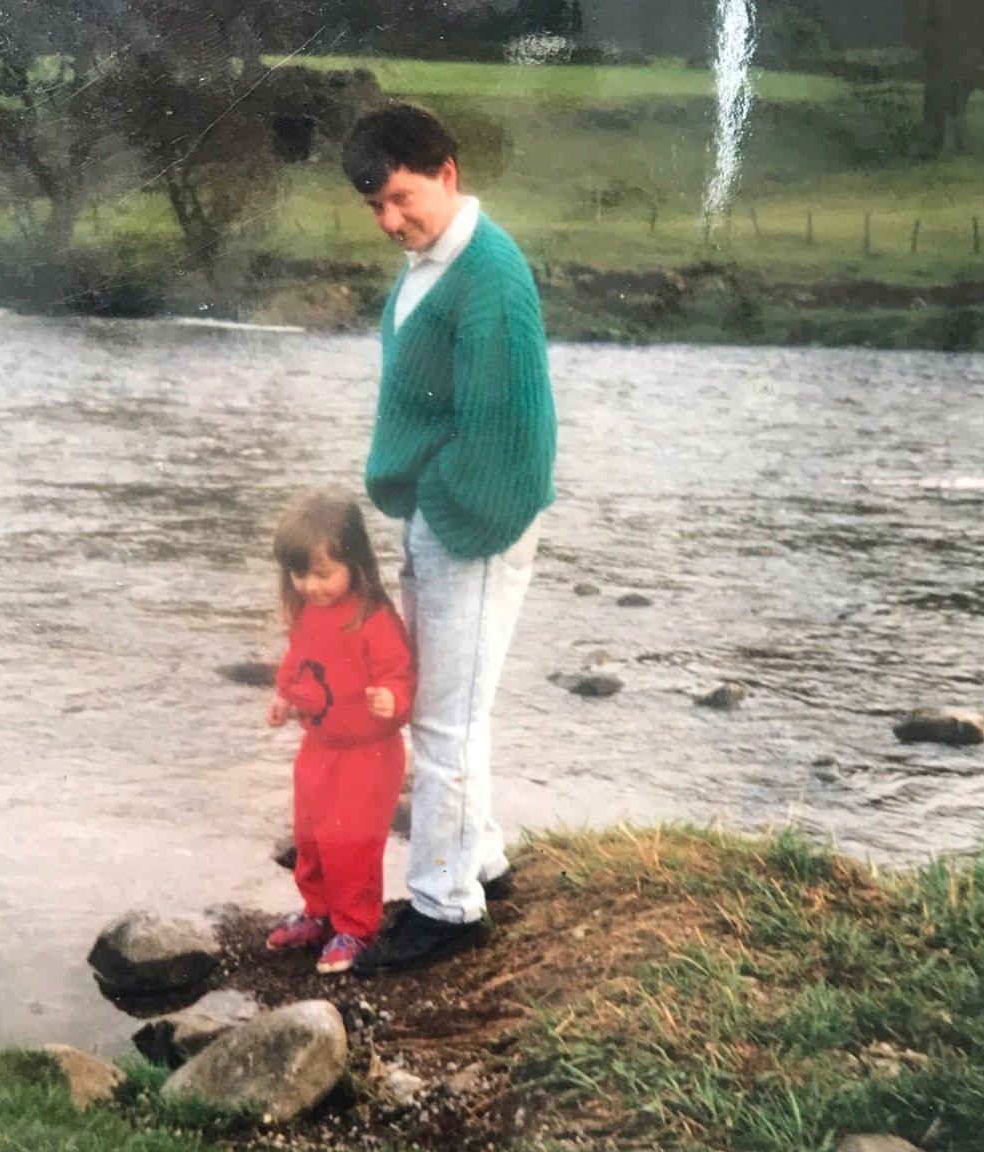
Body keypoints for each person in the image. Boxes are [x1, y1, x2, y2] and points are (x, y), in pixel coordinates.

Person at [339, 103, 557, 974]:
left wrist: (450, 506)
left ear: (449, 174)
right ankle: (484, 862)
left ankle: (446, 909)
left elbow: (511, 430)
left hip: (474, 518)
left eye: (402, 198)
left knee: (441, 721)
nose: (391, 222)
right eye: (375, 209)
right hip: (441, 511)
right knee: (457, 707)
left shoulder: (488, 273)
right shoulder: (437, 257)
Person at [263, 490, 416, 974]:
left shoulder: (372, 621)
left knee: (351, 842)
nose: (311, 585)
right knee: (309, 834)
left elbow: (401, 672)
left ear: (356, 563)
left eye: (323, 573)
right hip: (320, 745)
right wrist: (284, 695)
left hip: (369, 753)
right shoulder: (307, 614)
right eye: (300, 574)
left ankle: (356, 925)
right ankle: (319, 911)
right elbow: (299, 661)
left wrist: (392, 698)